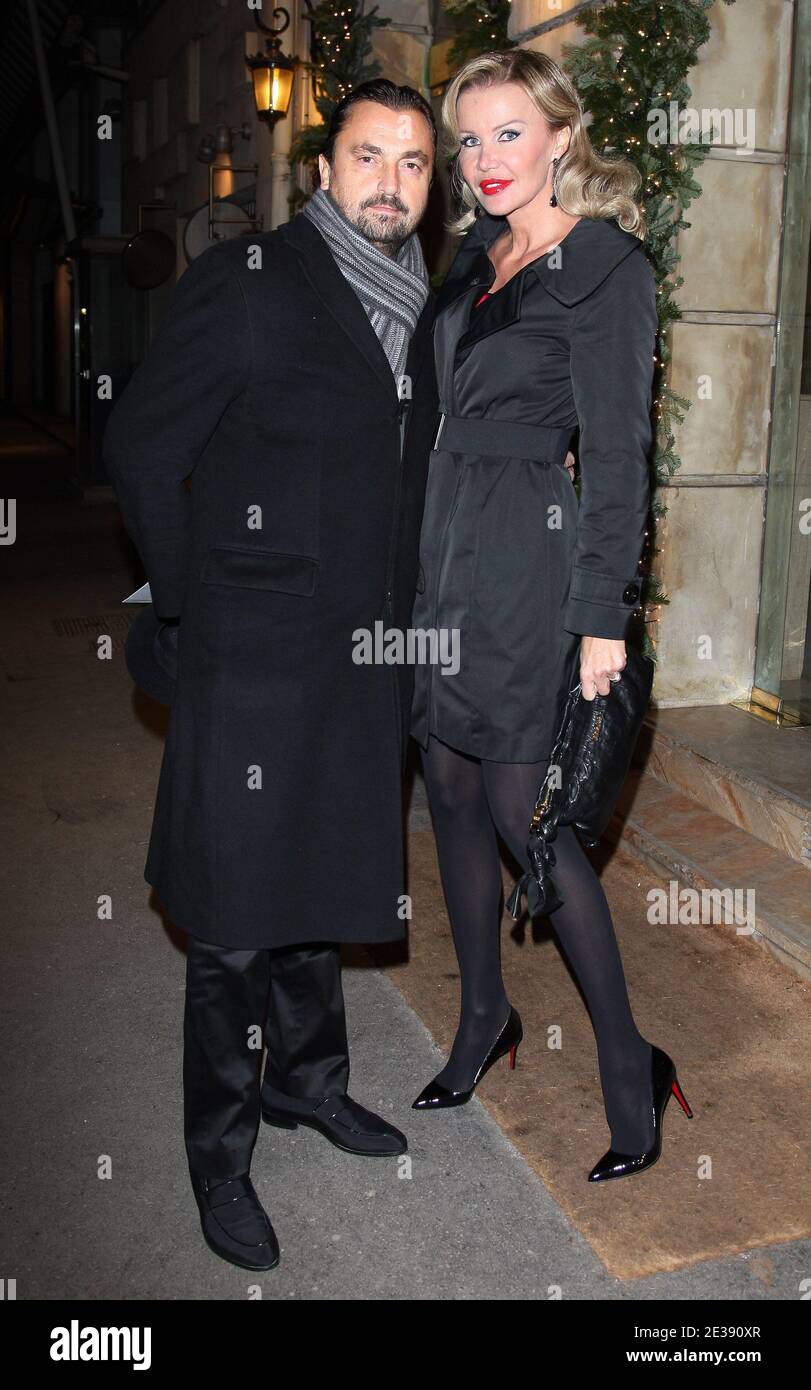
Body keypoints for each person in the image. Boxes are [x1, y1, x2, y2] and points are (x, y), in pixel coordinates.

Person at [104, 80, 441, 1270]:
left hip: (362, 655)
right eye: (368, 157)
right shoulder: (252, 286)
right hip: (255, 656)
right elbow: (145, 446)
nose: (391, 182)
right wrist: (194, 605)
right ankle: (222, 1158)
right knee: (239, 920)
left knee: (324, 876)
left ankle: (308, 1082)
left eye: (413, 162)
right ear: (323, 172)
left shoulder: (417, 300)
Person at [409, 49, 692, 1182]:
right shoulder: (473, 256)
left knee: (530, 812)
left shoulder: (607, 267)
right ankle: (484, 1015)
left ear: (561, 136)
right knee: (446, 781)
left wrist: (602, 620)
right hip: (443, 549)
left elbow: (619, 462)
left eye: (507, 133)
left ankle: (629, 1060)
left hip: (529, 557)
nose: (482, 159)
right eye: (468, 139)